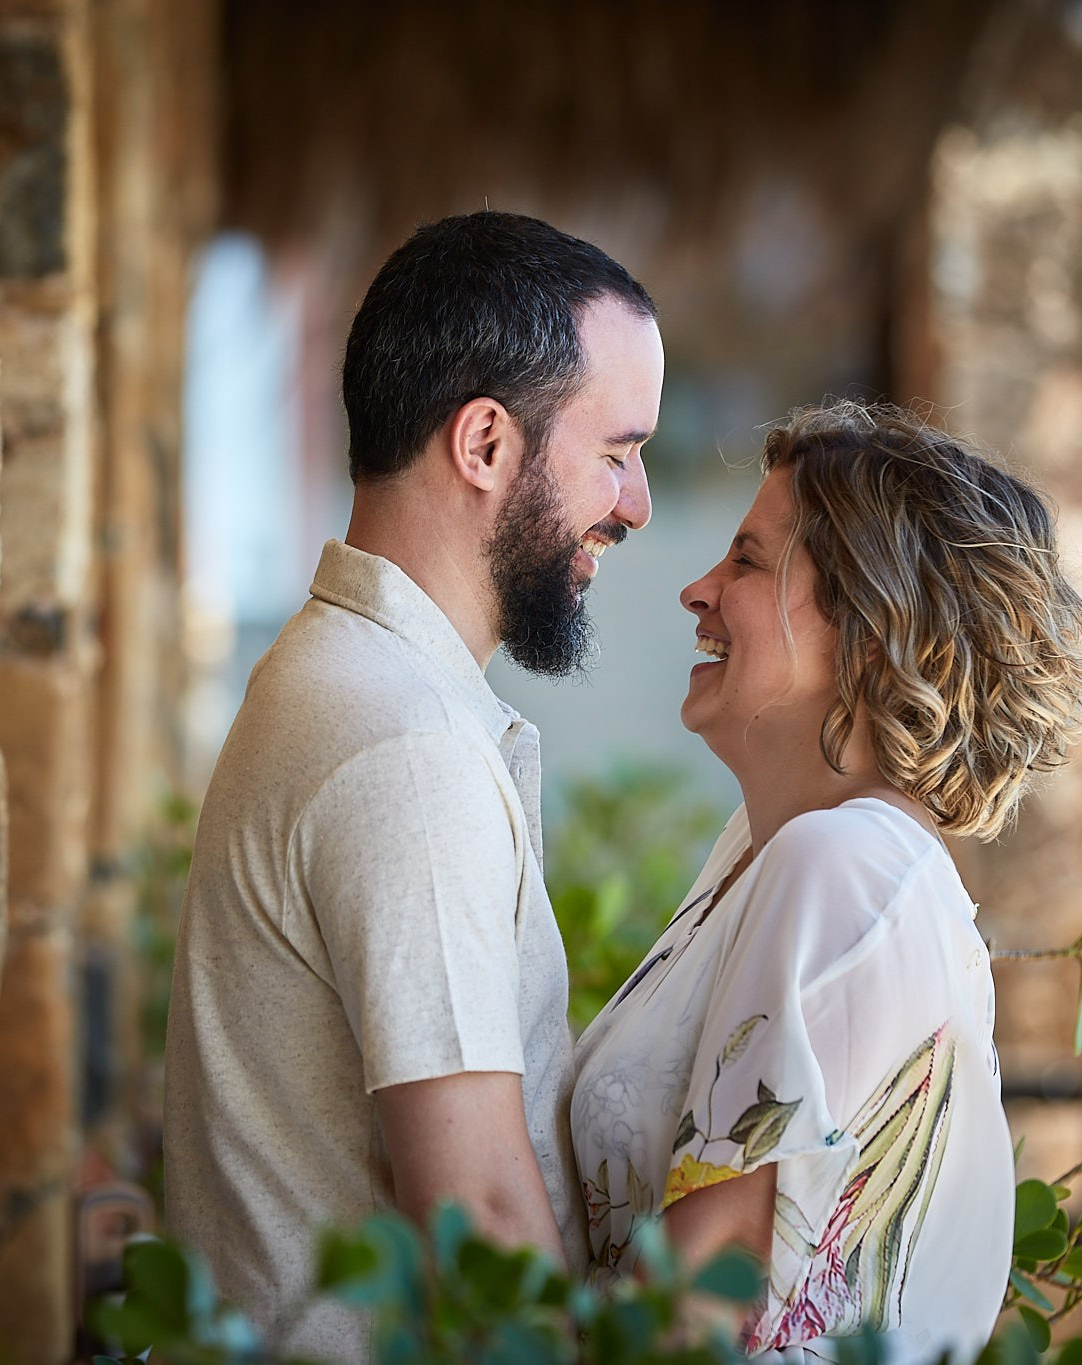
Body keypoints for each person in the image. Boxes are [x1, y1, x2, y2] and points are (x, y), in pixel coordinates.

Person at [163, 211, 663, 1360]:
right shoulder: (402, 743)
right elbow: (479, 1215)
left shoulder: (339, 678)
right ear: (484, 445)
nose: (632, 505)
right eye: (615, 453)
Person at [571, 401, 1082, 1362]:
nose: (696, 590)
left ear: (869, 628)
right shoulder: (778, 854)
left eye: (746, 561)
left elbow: (702, 1297)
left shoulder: (845, 868)